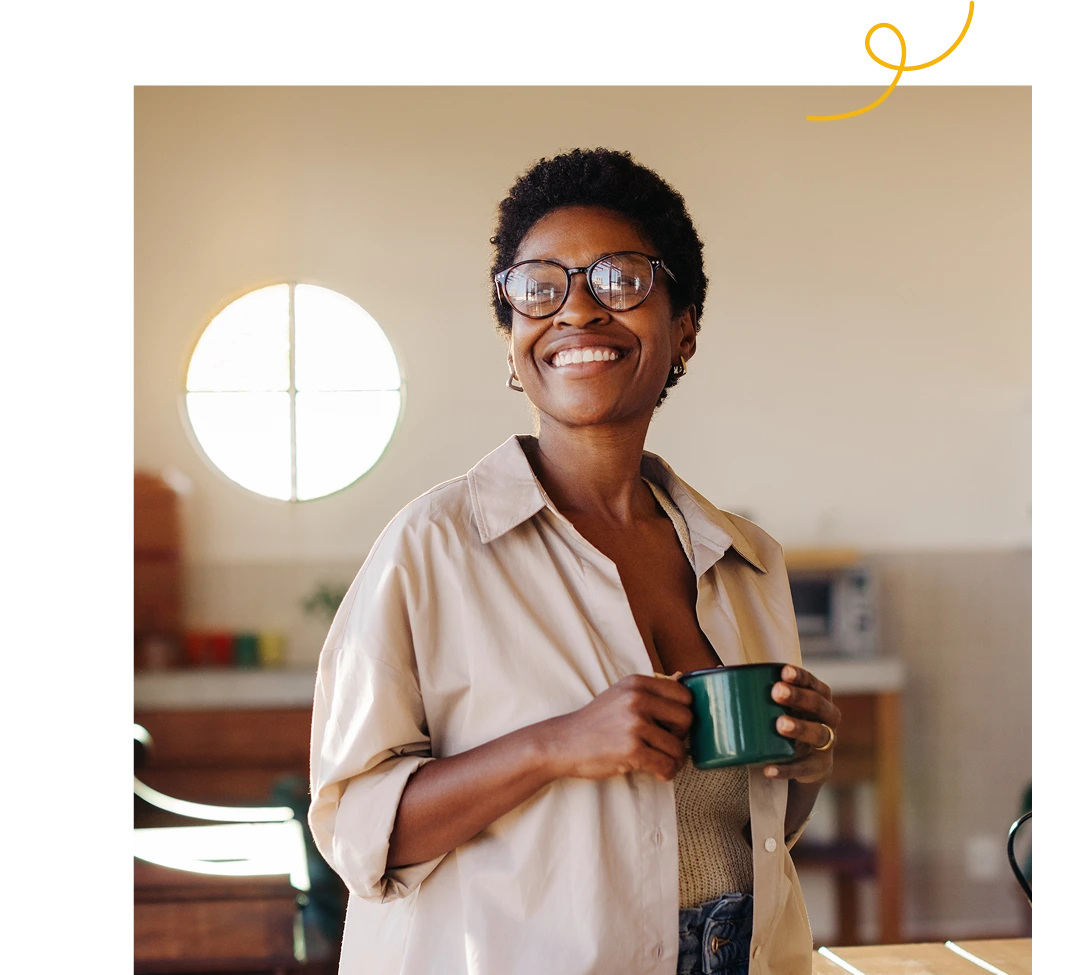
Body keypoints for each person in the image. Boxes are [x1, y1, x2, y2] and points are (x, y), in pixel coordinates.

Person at [308, 147, 842, 975]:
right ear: (512, 338)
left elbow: (741, 823)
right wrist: (555, 743)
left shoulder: (745, 559)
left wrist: (801, 757)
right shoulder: (432, 548)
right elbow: (356, 831)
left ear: (683, 330)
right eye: (539, 287)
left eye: (619, 280)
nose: (577, 312)